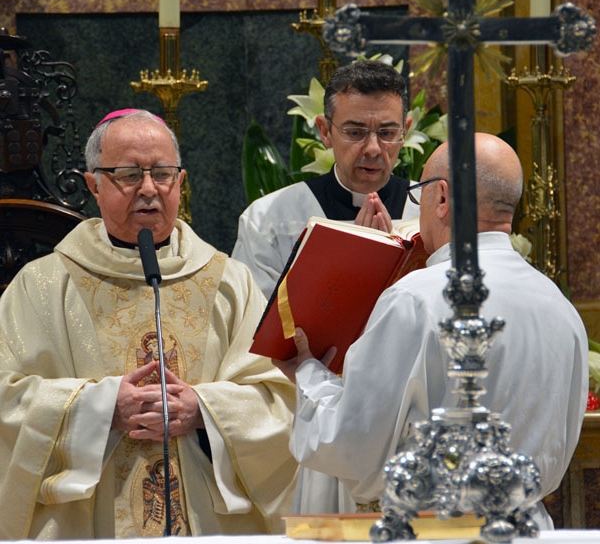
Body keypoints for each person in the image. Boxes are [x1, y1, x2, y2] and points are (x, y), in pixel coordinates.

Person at [0, 109, 298, 539]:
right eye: (126, 174)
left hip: (207, 521)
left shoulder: (230, 281)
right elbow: (7, 398)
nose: (148, 189)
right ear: (93, 185)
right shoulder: (43, 284)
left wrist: (205, 412)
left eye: (162, 173)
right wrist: (98, 408)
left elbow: (281, 397)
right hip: (90, 524)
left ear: (181, 181)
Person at [275, 132, 589, 529]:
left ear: (441, 197)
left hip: (436, 532)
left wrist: (308, 373)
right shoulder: (560, 306)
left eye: (419, 191)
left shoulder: (417, 297)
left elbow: (353, 443)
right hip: (525, 528)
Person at [232, 59, 419, 299]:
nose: (373, 148)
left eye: (387, 133)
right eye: (354, 132)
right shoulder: (268, 219)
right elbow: (255, 319)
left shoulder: (433, 213)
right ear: (324, 131)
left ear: (405, 132)